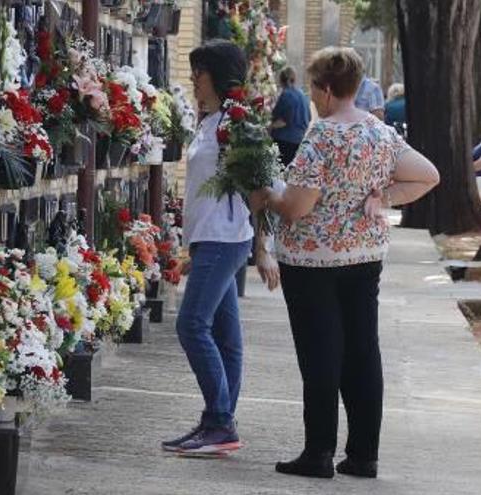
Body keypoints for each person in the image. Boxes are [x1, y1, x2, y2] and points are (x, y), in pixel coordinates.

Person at [251, 47, 439, 479]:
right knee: (361, 352)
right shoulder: (379, 132)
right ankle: (363, 455)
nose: (313, 96)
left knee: (321, 354)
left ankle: (317, 453)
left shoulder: (322, 136)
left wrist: (268, 195)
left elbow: (297, 206)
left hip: (312, 261)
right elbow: (427, 175)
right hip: (364, 256)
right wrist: (385, 197)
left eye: (315, 87)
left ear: (327, 89)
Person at [160, 39, 280, 458]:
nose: (193, 79)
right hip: (209, 238)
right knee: (227, 338)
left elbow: (264, 189)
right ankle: (218, 421)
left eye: (201, 71)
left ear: (220, 75)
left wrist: (262, 248)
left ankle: (220, 422)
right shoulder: (211, 121)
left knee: (191, 325)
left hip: (225, 240)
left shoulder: (239, 125)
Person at [271, 66, 312, 166]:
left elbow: (282, 121)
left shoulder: (286, 95)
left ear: (281, 80)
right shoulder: (302, 94)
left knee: (280, 171)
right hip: (299, 140)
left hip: (284, 140)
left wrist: (268, 127)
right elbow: (309, 117)